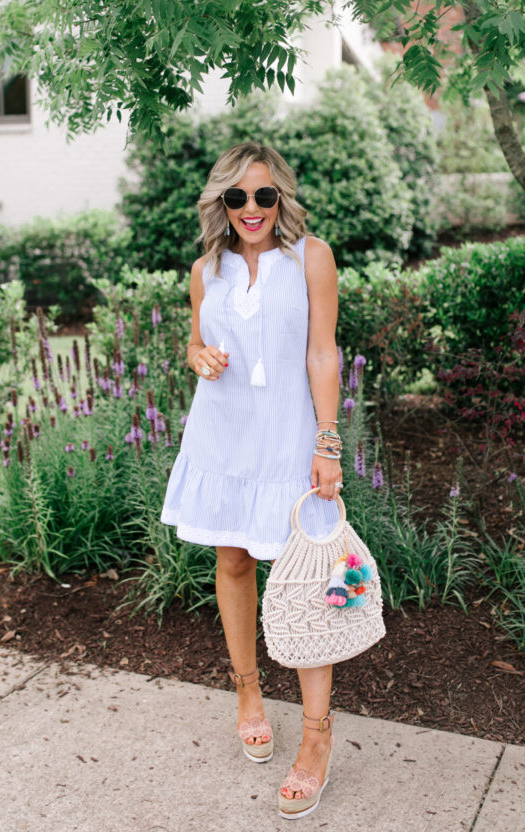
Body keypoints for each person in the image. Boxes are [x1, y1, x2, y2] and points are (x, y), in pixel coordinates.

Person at [161, 141, 343, 819]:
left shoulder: (312, 258)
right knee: (232, 559)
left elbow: (322, 350)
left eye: (262, 196)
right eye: (236, 197)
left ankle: (317, 737)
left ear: (281, 199)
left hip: (289, 440)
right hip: (223, 435)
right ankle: (246, 693)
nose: (250, 209)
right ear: (220, 203)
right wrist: (197, 354)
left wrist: (327, 439)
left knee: (304, 583)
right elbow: (193, 339)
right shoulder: (205, 268)